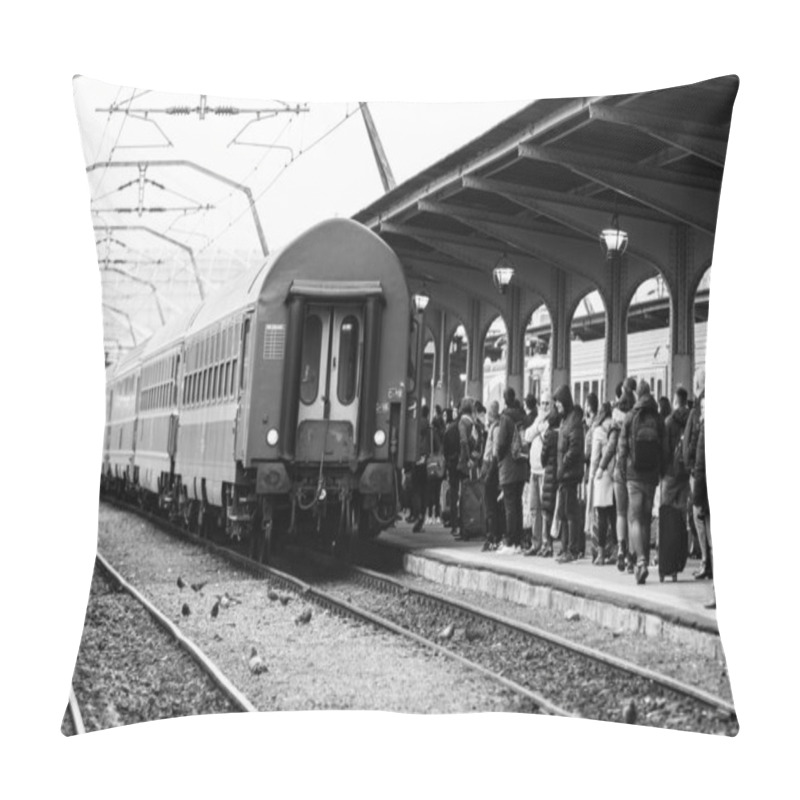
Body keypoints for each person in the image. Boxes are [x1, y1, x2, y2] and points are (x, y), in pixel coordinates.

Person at [618, 380, 665, 584]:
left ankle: (641, 561)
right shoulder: (658, 417)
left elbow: (622, 449)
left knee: (635, 518)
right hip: (651, 476)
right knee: (645, 518)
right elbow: (664, 447)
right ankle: (641, 563)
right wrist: (659, 471)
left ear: (637, 394)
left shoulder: (630, 417)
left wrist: (623, 471)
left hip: (633, 475)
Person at [598, 388, 634, 571]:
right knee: (633, 516)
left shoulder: (616, 424)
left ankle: (621, 547)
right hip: (636, 473)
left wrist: (601, 467)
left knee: (620, 513)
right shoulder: (636, 419)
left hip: (620, 472)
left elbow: (611, 447)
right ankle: (632, 556)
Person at [552, 384, 585, 563]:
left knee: (570, 512)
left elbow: (574, 448)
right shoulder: (566, 419)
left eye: (558, 404)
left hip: (569, 474)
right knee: (564, 512)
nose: (557, 408)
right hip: (564, 474)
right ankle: (565, 547)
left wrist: (563, 466)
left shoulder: (573, 421)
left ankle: (572, 549)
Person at [494, 387, 528, 553]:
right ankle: (519, 541)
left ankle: (510, 542)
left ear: (504, 399)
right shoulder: (522, 416)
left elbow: (501, 444)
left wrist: (499, 459)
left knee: (509, 506)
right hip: (521, 466)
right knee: (518, 504)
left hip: (508, 467)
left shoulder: (505, 418)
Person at [589, 401, 615, 564]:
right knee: (614, 514)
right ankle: (616, 550)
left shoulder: (598, 430)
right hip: (613, 474)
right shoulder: (614, 427)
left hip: (601, 474)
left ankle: (600, 553)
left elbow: (594, 456)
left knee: (601, 516)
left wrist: (592, 475)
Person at [690, 393, 712, 580]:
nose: (702, 412)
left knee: (704, 524)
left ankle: (707, 563)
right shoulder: (702, 426)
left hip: (702, 485)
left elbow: (700, 463)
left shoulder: (705, 428)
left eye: (704, 409)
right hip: (702, 483)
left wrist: (697, 493)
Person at [523, 392, 548, 555]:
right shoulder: (538, 420)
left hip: (545, 471)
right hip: (533, 470)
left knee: (545, 509)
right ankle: (535, 542)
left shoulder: (552, 422)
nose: (544, 407)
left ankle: (545, 542)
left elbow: (544, 436)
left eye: (547, 403)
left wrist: (538, 428)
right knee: (534, 508)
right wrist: (538, 422)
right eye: (542, 403)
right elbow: (527, 436)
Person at [537, 408, 561, 557]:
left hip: (549, 474)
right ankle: (556, 542)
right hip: (559, 474)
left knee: (546, 510)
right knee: (557, 509)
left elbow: (543, 458)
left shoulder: (549, 435)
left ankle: (547, 544)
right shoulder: (562, 433)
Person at [480, 400, 503, 551]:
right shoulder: (494, 427)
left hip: (491, 469)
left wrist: (489, 473)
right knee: (490, 506)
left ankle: (492, 536)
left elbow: (494, 454)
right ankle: (492, 535)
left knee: (490, 506)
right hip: (489, 468)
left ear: (491, 414)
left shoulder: (495, 430)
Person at [409, 405, 431, 532]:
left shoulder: (415, 426)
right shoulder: (428, 427)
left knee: (416, 489)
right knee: (423, 491)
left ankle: (416, 514)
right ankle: (421, 516)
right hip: (424, 460)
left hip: (415, 459)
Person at [442, 407, 461, 535]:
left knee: (454, 494)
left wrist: (448, 461)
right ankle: (463, 522)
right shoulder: (466, 426)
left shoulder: (450, 429)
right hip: (463, 464)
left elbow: (445, 449)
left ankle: (454, 524)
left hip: (452, 464)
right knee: (464, 492)